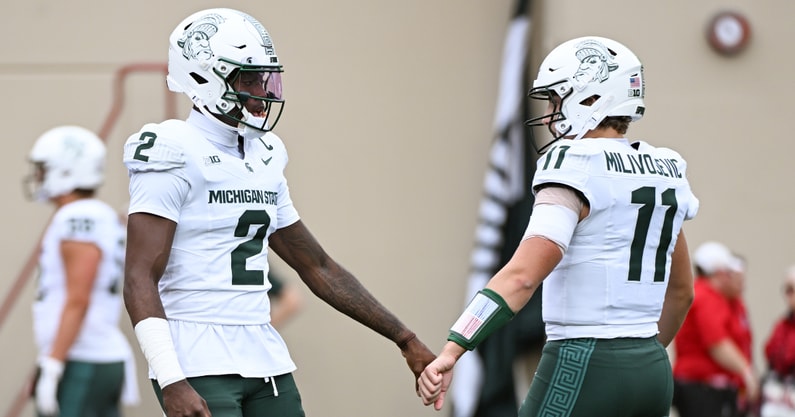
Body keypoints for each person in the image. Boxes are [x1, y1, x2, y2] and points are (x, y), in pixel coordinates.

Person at [121, 8, 435, 417]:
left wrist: (404, 338)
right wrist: (171, 380)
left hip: (265, 357)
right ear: (203, 76)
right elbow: (138, 276)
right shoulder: (172, 148)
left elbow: (318, 266)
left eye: (263, 77)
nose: (263, 91)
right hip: (197, 357)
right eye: (247, 78)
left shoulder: (264, 153)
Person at [417, 35, 699, 416]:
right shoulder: (665, 169)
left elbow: (522, 277)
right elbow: (681, 291)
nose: (550, 115)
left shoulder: (574, 162)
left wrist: (453, 348)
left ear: (590, 98)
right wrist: (636, 357)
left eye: (555, 100)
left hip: (584, 357)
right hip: (651, 366)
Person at [25, 125, 139, 416]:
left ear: (66, 170)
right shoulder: (96, 215)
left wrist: (53, 363)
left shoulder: (78, 216)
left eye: (43, 168)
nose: (38, 176)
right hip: (90, 356)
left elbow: (79, 297)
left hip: (85, 357)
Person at [672, 241, 757, 417]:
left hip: (708, 387)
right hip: (702, 388)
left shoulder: (723, 299)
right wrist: (747, 373)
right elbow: (717, 343)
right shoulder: (706, 296)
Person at [760, 265, 795, 417]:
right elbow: (771, 353)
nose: (788, 295)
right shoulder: (782, 324)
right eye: (787, 290)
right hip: (781, 398)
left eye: (792, 290)